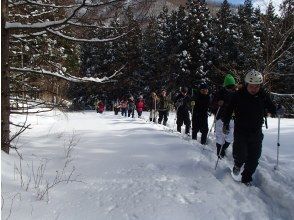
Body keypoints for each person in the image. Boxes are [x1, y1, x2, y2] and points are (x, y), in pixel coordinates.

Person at [223, 70, 277, 186]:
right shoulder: (238, 95)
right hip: (241, 130)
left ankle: (246, 178)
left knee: (254, 157)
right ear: (247, 84)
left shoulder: (262, 95)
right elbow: (228, 110)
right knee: (241, 153)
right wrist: (226, 123)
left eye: (257, 86)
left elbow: (272, 107)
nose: (254, 89)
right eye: (252, 86)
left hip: (256, 131)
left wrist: (275, 111)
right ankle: (238, 164)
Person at [212, 73, 237, 158]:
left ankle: (224, 147)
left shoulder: (236, 94)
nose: (230, 89)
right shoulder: (220, 93)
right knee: (220, 135)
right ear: (225, 85)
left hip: (232, 118)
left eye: (232, 86)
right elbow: (213, 103)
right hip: (221, 116)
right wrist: (218, 103)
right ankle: (219, 151)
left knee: (230, 136)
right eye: (228, 86)